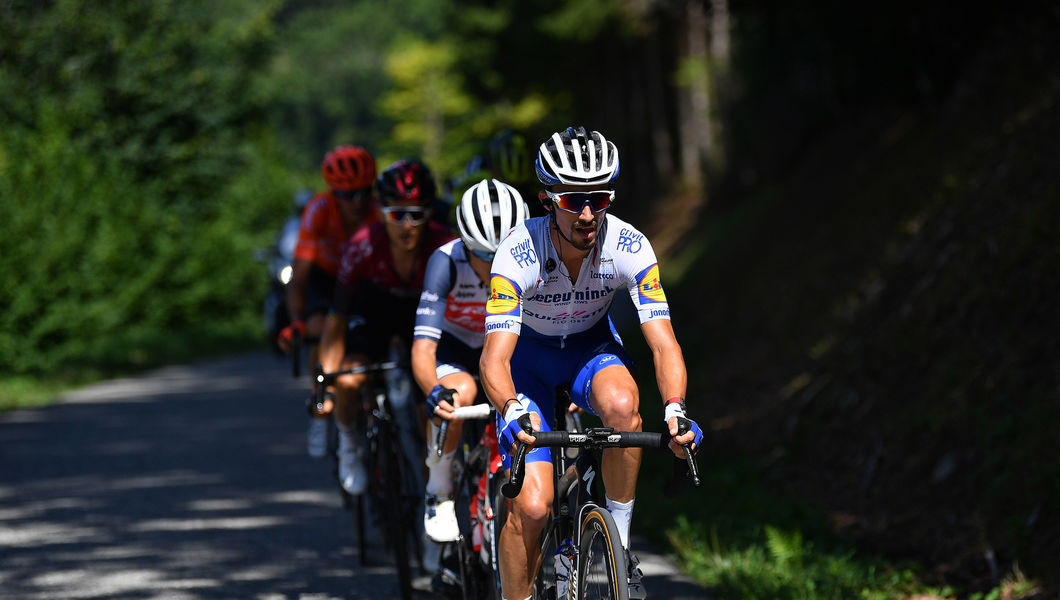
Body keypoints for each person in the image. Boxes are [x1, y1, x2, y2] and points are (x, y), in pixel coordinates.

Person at [479, 126, 704, 600]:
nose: (586, 214)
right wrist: (510, 408)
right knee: (535, 508)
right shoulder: (518, 252)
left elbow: (664, 344)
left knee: (624, 406)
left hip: (589, 350)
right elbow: (495, 358)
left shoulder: (630, 246)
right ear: (546, 200)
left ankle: (618, 546)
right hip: (528, 367)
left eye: (599, 199)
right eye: (572, 201)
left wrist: (676, 408)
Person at [317, 158, 455, 495]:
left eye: (417, 214)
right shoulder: (362, 246)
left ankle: (433, 496)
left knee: (432, 407)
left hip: (423, 315)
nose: (407, 225)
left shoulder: (446, 245)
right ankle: (349, 444)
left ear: (430, 214)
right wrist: (325, 381)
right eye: (396, 214)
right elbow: (336, 322)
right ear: (382, 213)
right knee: (350, 379)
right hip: (374, 310)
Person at [410, 178, 530, 544]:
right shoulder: (445, 261)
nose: (496, 266)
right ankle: (440, 490)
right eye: (484, 256)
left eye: (504, 253)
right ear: (464, 244)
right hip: (456, 348)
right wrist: (433, 391)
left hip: (509, 347)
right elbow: (423, 348)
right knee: (457, 393)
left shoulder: (536, 255)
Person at [277, 146, 379, 459]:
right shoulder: (319, 209)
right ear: (334, 192)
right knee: (319, 327)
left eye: (363, 193)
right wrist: (296, 321)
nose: (356, 202)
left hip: (362, 278)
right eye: (347, 195)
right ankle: (321, 405)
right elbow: (300, 275)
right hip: (325, 276)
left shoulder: (377, 212)